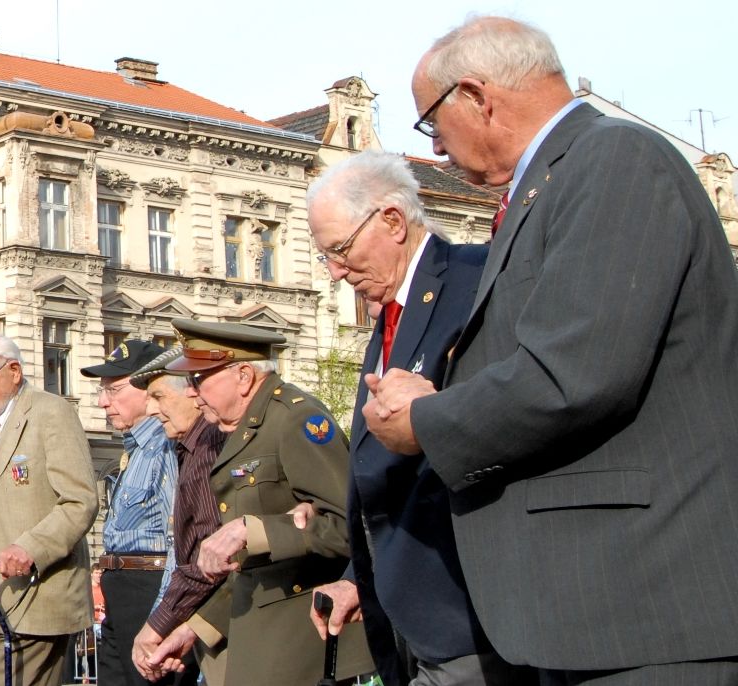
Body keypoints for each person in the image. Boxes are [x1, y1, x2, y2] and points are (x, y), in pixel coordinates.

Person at [365, 15, 738, 684]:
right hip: (591, 613)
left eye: (430, 123)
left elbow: (578, 373)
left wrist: (425, 420)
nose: (439, 151)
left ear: (477, 97)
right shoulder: (558, 180)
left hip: (641, 612)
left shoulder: (616, 161)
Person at [306, 151, 532, 685]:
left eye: (340, 250)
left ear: (391, 221)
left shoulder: (477, 280)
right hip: (409, 617)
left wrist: (433, 413)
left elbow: (513, 420)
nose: (336, 272)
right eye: (326, 258)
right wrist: (356, 576)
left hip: (472, 616)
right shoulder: (390, 313)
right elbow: (383, 477)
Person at [148, 320, 373, 686]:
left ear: (243, 376)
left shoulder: (296, 419)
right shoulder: (242, 431)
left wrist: (251, 530)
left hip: (302, 649)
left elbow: (352, 527)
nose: (193, 393)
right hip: (260, 641)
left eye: (199, 379)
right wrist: (196, 628)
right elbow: (251, 569)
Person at [0, 332, 98, 686]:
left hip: (34, 579)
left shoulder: (51, 412)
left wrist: (32, 547)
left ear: (13, 370)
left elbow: (80, 500)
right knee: (3, 673)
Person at [79, 339, 196, 686]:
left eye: (114, 390)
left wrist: (163, 616)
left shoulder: (164, 445)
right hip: (123, 592)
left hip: (150, 591)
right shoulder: (135, 449)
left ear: (148, 390)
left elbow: (181, 539)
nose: (103, 402)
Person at [127, 347, 229, 685]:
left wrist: (159, 623)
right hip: (205, 617)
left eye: (158, 396)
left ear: (191, 390)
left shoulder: (209, 446)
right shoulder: (190, 447)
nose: (151, 409)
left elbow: (207, 550)